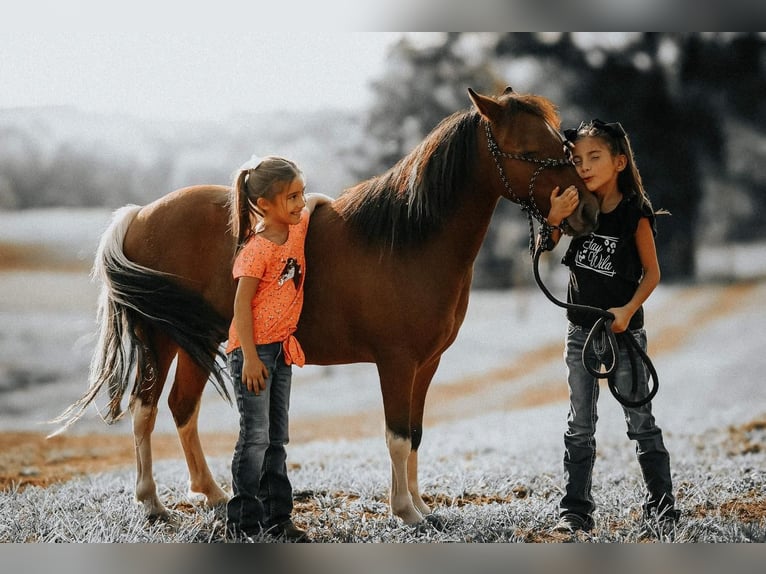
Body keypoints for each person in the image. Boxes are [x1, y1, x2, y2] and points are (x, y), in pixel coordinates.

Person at [540, 119, 679, 534]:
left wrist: (627, 309)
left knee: (640, 420)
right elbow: (543, 250)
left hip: (624, 334)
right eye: (577, 159)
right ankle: (575, 510)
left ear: (619, 161)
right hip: (580, 332)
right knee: (579, 422)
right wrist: (553, 218)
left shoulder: (635, 213)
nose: (583, 166)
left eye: (594, 157)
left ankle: (661, 504)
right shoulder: (578, 209)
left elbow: (652, 273)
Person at [225, 155, 331, 542]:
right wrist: (250, 358)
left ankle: (277, 517)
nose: (300, 203)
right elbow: (240, 307)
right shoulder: (256, 250)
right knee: (254, 438)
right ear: (263, 204)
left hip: (282, 351)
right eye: (291, 197)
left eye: (300, 194)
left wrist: (317, 201)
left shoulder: (297, 225)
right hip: (252, 353)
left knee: (276, 439)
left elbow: (317, 200)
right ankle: (243, 521)